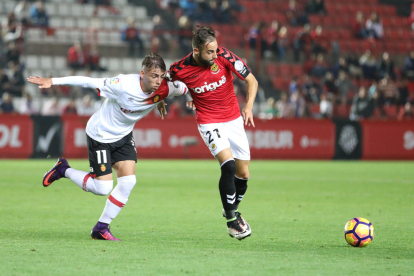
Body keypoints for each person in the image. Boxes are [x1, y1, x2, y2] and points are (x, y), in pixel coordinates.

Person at [28, 53, 188, 241]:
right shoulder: (122, 84)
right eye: (154, 76)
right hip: (101, 134)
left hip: (123, 136)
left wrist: (183, 98)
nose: (158, 81)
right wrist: (53, 81)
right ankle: (63, 169)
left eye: (161, 76)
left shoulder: (165, 87)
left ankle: (100, 228)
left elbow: (190, 86)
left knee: (128, 182)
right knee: (102, 188)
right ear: (142, 73)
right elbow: (87, 81)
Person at [167, 26, 258, 240]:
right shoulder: (178, 68)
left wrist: (249, 107)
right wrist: (164, 101)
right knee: (228, 166)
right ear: (196, 51)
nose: (215, 55)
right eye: (210, 52)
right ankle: (231, 220)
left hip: (234, 118)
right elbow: (165, 85)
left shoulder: (225, 56)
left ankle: (232, 210)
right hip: (209, 121)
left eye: (216, 50)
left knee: (243, 173)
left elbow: (251, 80)